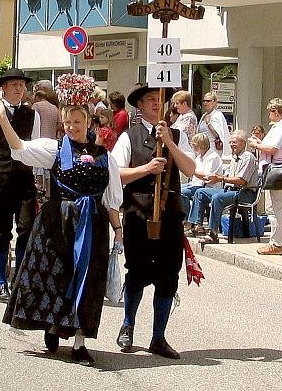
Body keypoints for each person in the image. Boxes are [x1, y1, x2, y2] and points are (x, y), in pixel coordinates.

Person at [0, 73, 123, 364]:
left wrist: (118, 231)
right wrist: (2, 118)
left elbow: (111, 197)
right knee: (56, 277)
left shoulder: (105, 156)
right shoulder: (55, 149)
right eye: (67, 123)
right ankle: (52, 324)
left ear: (89, 123)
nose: (72, 127)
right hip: (57, 221)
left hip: (91, 224)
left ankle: (80, 341)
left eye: (77, 122)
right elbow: (19, 149)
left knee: (87, 280)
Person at [111, 85, 195, 360]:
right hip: (138, 214)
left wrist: (169, 142)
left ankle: (158, 337)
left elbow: (190, 169)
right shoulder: (128, 137)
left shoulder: (178, 135)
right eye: (151, 100)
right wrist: (146, 169)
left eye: (161, 99)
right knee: (136, 273)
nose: (157, 104)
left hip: (170, 216)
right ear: (140, 106)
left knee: (169, 276)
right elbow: (116, 174)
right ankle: (128, 324)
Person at [0, 68, 41, 303]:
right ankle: (1, 282)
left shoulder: (33, 115)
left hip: (24, 178)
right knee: (1, 231)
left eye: (21, 85)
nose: (18, 89)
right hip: (0, 178)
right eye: (14, 85)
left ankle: (18, 280)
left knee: (26, 228)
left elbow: (33, 147)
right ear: (3, 88)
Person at [187, 130, 258, 244]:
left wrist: (220, 178)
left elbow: (241, 181)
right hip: (230, 190)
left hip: (245, 193)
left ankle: (213, 234)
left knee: (217, 197)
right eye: (230, 142)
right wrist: (217, 177)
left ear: (243, 143)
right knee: (200, 192)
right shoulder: (234, 157)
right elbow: (227, 176)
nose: (231, 145)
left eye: (234, 142)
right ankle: (196, 226)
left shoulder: (247, 157)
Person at [249, 98, 282, 255]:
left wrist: (256, 145)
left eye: (270, 112)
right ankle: (276, 243)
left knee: (274, 209)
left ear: (276, 112)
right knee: (275, 208)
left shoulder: (280, 127)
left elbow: (273, 148)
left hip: (275, 171)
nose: (269, 115)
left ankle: (276, 243)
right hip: (275, 170)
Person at [181, 133, 223, 234]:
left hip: (208, 186)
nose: (193, 147)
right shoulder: (199, 157)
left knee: (182, 192)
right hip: (196, 184)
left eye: (194, 145)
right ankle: (186, 220)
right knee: (178, 189)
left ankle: (188, 222)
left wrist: (190, 170)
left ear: (201, 145)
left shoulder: (212, 157)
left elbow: (206, 177)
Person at [198, 92, 230, 158]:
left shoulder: (217, 115)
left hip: (213, 147)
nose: (205, 103)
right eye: (204, 101)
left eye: (208, 101)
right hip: (202, 147)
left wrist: (208, 124)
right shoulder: (203, 116)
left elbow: (218, 135)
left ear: (214, 102)